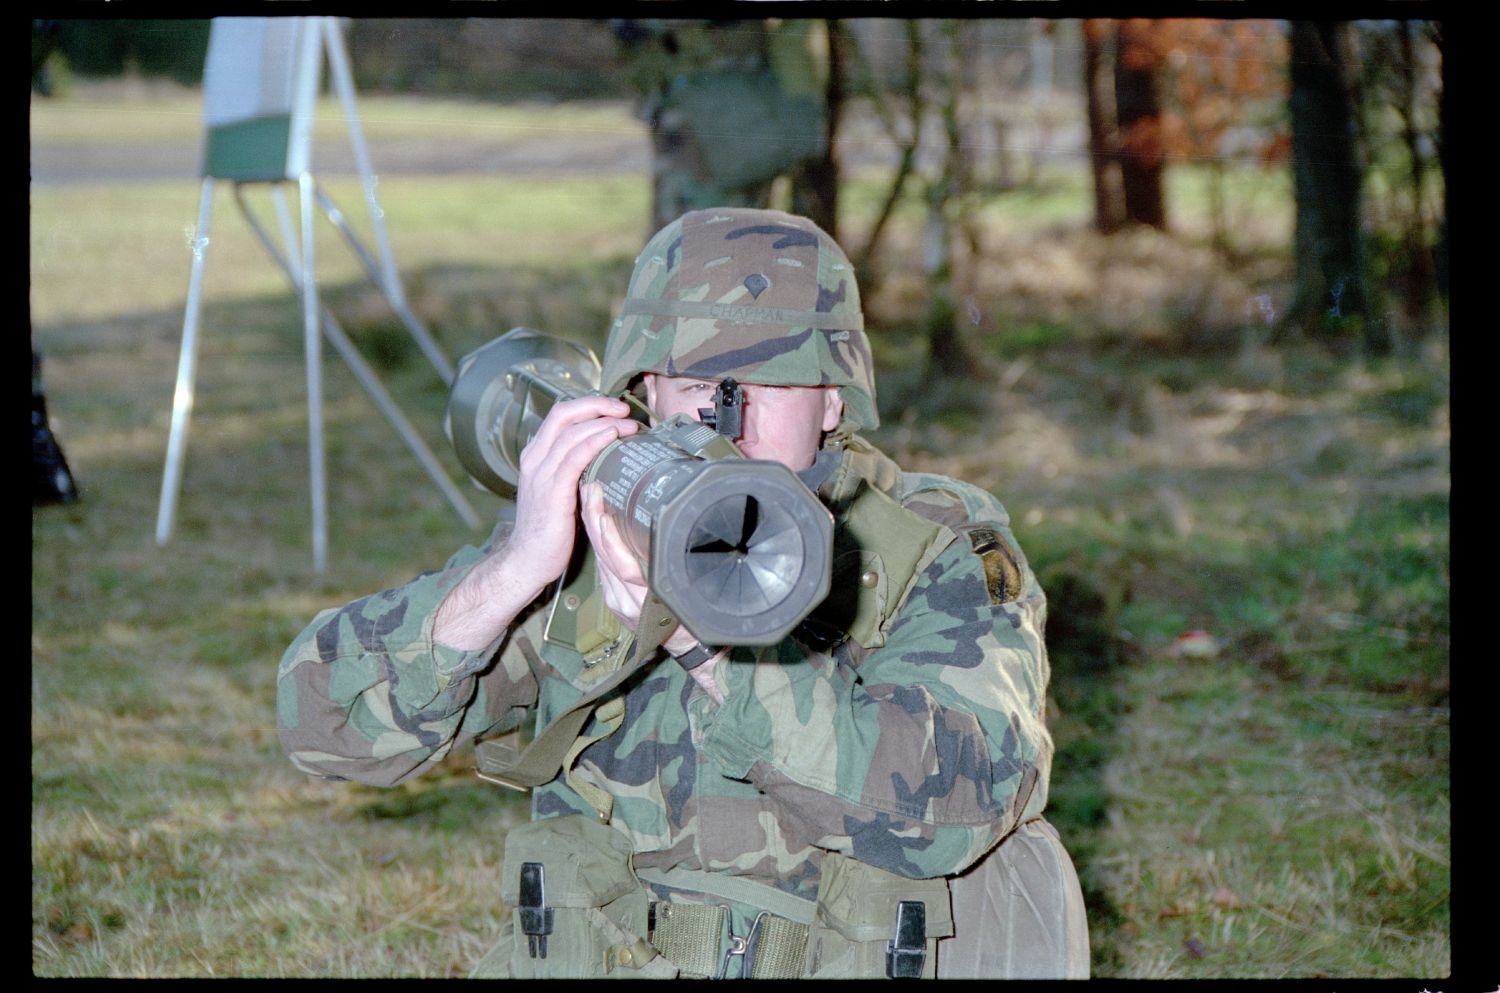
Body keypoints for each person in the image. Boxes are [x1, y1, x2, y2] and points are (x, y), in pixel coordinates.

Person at [277, 207, 1089, 979]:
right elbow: (324, 726)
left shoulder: (930, 546)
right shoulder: (594, 531)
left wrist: (705, 639)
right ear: (643, 393)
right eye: (696, 380)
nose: (727, 422)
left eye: (769, 380)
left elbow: (961, 804)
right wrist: (515, 570)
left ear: (834, 398)